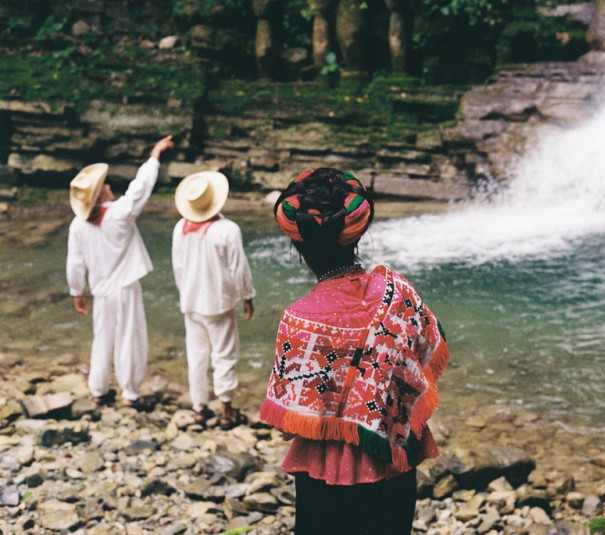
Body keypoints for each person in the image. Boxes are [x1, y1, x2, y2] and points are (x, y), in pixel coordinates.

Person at [260, 168, 450, 534]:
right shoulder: (398, 292)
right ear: (358, 232)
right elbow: (427, 350)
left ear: (299, 246)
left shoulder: (296, 321)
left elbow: (292, 417)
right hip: (393, 460)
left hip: (323, 471)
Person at [66, 135, 174, 412]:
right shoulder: (118, 214)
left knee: (102, 338)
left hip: (101, 291)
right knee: (130, 338)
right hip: (125, 288)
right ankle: (130, 393)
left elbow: (75, 264)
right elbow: (140, 189)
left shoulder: (78, 225)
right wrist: (155, 155)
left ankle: (99, 391)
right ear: (100, 194)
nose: (109, 186)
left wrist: (77, 292)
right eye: (104, 185)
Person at [171, 170, 255, 430]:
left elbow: (179, 268)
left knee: (196, 356)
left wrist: (185, 293)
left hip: (191, 302)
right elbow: (238, 269)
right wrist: (248, 296)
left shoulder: (180, 228)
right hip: (218, 304)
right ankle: (227, 410)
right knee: (224, 355)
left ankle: (199, 409)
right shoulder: (228, 230)